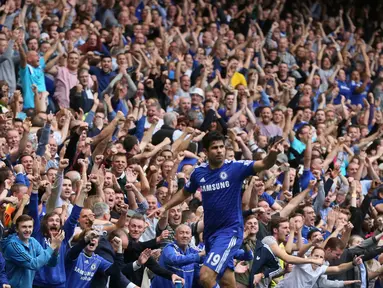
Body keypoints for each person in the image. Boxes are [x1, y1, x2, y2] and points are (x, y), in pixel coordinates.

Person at [150, 131, 284, 287]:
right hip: (210, 233)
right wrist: (165, 206)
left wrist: (273, 154)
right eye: (215, 147)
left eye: (222, 147)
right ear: (206, 151)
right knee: (227, 282)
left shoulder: (236, 167)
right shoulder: (199, 172)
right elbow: (185, 192)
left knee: (205, 277)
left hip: (229, 231)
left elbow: (264, 163)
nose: (220, 150)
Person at [1, 215, 65, 288]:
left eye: (30, 227)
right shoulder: (12, 245)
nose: (28, 230)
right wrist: (52, 246)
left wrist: (56, 250)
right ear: (16, 229)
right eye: (24, 227)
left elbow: (50, 263)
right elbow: (33, 264)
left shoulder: (33, 241)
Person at [276, 247, 362, 288]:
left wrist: (353, 263)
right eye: (316, 256)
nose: (318, 259)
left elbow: (338, 268)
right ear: (310, 255)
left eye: (321, 257)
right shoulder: (303, 261)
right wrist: (311, 259)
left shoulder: (320, 268)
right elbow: (296, 256)